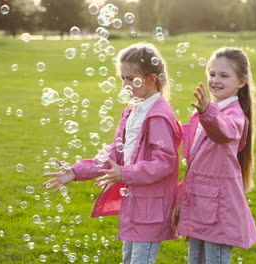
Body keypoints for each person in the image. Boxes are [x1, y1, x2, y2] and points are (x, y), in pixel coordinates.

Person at [43, 42, 182, 264]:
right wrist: (75, 171)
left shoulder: (158, 115)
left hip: (151, 208)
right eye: (122, 78)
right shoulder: (132, 110)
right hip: (136, 205)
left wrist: (124, 174)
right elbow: (113, 153)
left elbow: (164, 163)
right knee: (128, 259)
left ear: (151, 80)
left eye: (131, 78)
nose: (125, 84)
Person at [172, 47, 256, 264]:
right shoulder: (211, 110)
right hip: (201, 203)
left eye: (224, 75)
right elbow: (195, 166)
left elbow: (223, 132)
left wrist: (206, 113)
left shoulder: (233, 114)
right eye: (212, 74)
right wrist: (181, 199)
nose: (215, 80)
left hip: (218, 209)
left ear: (241, 82)